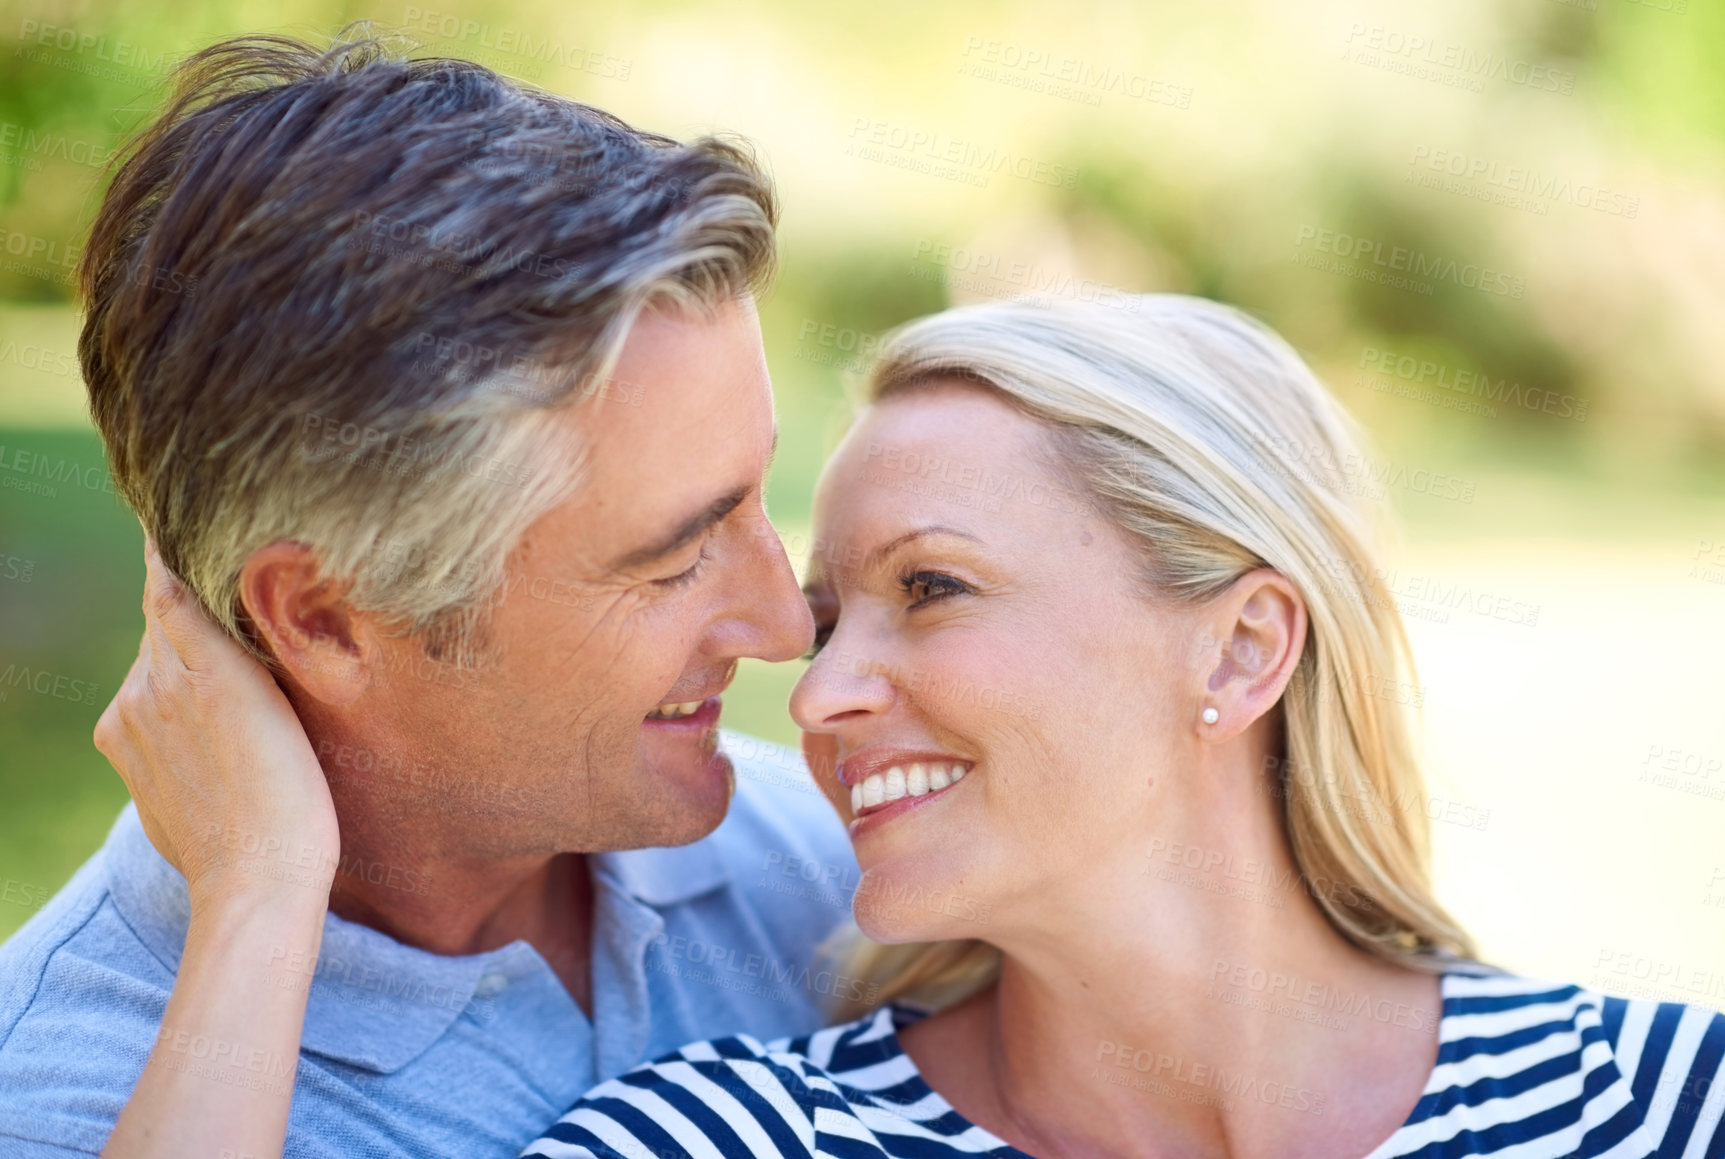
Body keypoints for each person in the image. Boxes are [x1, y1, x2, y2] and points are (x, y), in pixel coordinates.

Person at [518, 297, 1725, 1157]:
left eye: (931, 587)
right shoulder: (714, 1142)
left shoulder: (1659, 1105)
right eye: (829, 625)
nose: (819, 695)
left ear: (1244, 646)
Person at [0, 32, 860, 1159]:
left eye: (754, 498)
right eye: (672, 557)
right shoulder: (73, 1098)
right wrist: (262, 900)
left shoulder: (827, 872)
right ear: (321, 618)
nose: (791, 626)